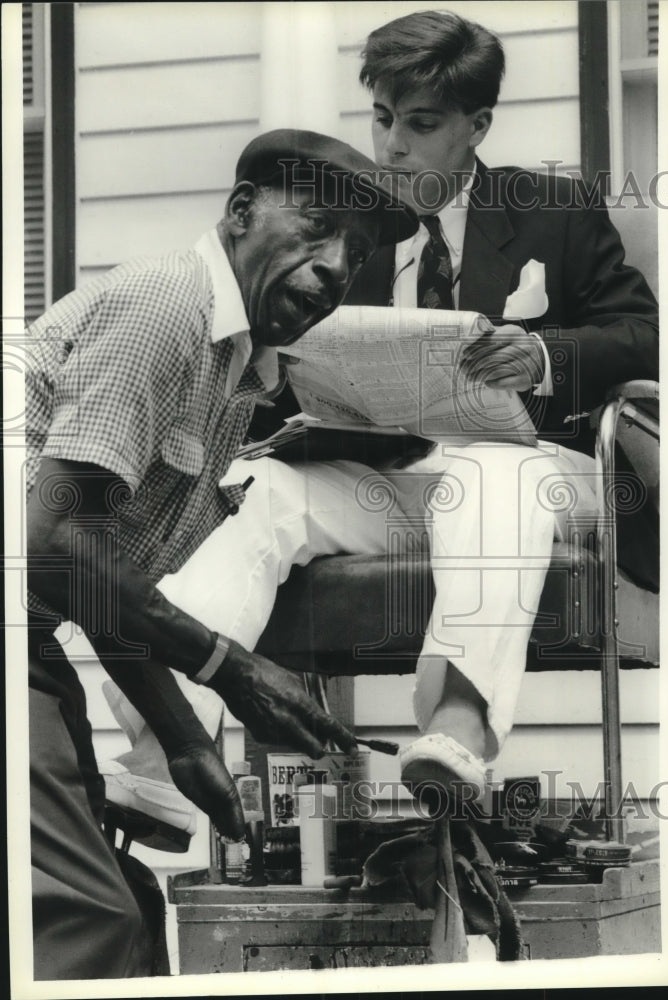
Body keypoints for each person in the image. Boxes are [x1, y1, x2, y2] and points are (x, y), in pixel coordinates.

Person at [101, 10, 658, 840]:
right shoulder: (347, 236)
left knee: (490, 472)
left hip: (538, 473)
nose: (394, 145)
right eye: (384, 118)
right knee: (264, 488)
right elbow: (286, 381)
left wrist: (542, 356)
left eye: (422, 124)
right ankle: (167, 752)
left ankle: (459, 726)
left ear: (477, 127)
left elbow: (642, 334)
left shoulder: (555, 210)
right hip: (393, 479)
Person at [24, 127, 417, 980]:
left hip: (32, 642)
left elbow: (94, 576)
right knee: (88, 917)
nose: (330, 271)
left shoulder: (240, 372)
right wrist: (227, 669)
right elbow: (51, 542)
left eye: (351, 257)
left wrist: (184, 743)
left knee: (128, 901)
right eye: (314, 229)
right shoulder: (171, 307)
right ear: (241, 212)